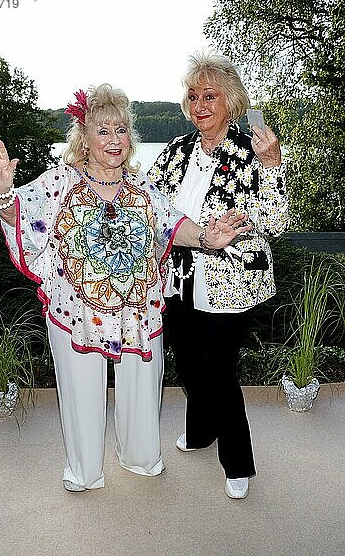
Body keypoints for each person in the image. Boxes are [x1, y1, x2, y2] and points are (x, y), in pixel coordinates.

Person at [0, 83, 250, 492]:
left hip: (138, 310)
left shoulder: (144, 186)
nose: (114, 140)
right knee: (81, 392)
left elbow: (172, 225)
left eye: (121, 130)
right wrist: (0, 190)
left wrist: (208, 238)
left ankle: (140, 457)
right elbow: (21, 212)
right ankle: (84, 471)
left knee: (142, 385)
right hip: (76, 312)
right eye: (103, 131)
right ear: (84, 138)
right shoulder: (59, 181)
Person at [149, 52, 289, 499]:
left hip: (230, 282)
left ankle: (238, 460)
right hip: (178, 277)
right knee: (189, 364)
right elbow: (149, 205)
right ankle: (199, 432)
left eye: (210, 95)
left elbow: (276, 220)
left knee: (219, 368)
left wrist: (273, 166)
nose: (200, 104)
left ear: (231, 102)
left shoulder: (253, 152)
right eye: (193, 96)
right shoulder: (174, 151)